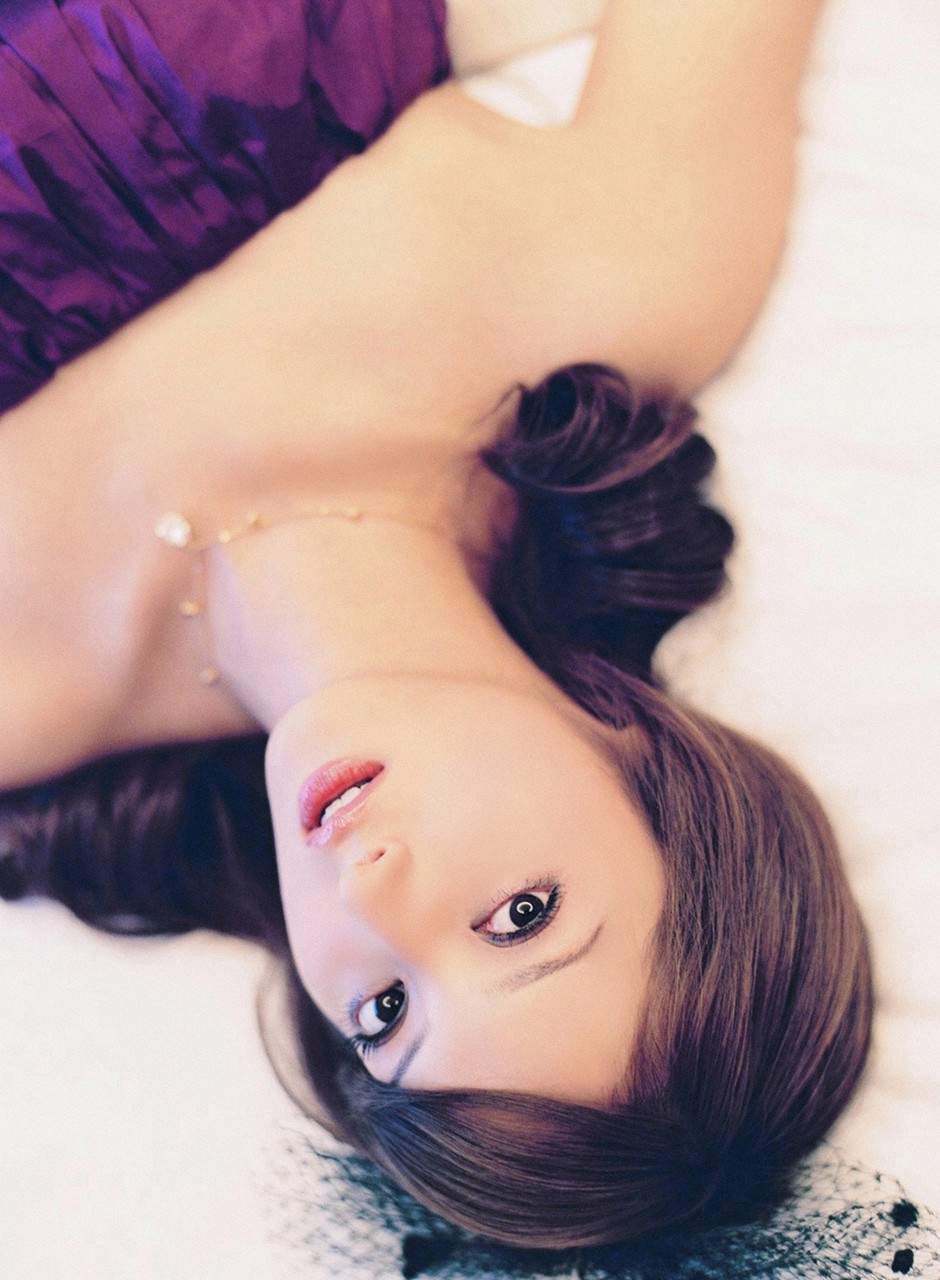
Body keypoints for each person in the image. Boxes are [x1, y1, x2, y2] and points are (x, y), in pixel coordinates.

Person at [0, 0, 872, 1251]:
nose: (374, 895)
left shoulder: (21, 698)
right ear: (655, 771)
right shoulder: (629, 275)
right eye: (521, 915)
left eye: (387, 1013)